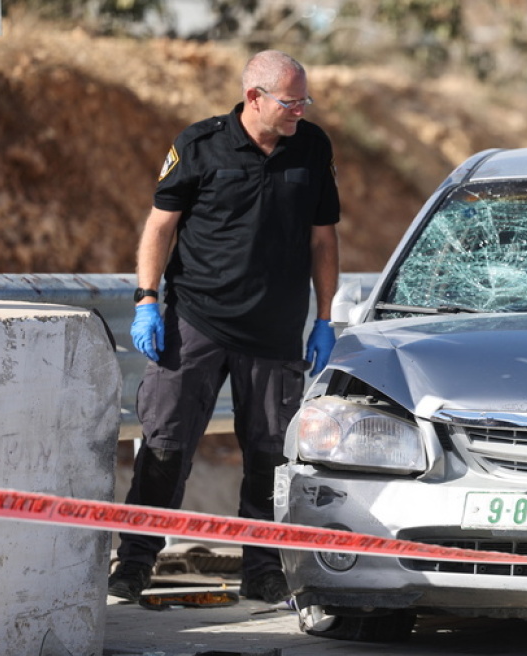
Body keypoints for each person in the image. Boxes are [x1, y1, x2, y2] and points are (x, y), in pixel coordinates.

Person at [107, 50, 341, 604]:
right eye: (291, 101)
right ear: (254, 97)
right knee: (164, 447)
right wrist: (146, 299)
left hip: (275, 333)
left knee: (268, 460)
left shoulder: (313, 147)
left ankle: (262, 569)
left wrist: (325, 319)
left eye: (305, 100)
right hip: (195, 321)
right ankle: (135, 563)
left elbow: (323, 239)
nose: (300, 111)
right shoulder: (198, 144)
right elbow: (161, 226)